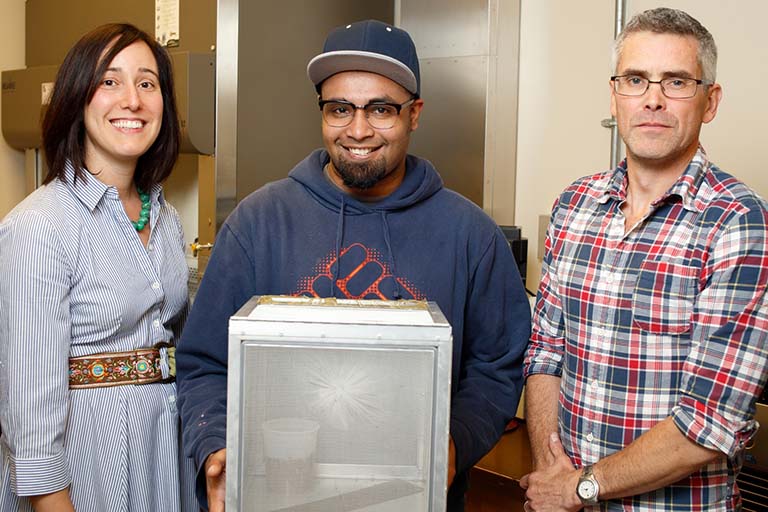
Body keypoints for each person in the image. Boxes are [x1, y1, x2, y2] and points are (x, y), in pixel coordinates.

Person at [176, 19, 530, 512]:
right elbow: (204, 363)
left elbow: (496, 366)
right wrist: (215, 444)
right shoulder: (259, 222)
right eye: (340, 108)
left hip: (415, 496)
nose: (358, 130)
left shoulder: (470, 234)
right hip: (278, 492)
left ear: (415, 114)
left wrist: (454, 444)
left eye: (381, 109)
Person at [520, 7, 768, 511]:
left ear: (710, 101)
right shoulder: (575, 204)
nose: (652, 99)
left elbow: (708, 420)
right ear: (615, 94)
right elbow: (546, 351)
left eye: (676, 81)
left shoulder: (738, 222)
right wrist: (552, 471)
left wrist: (579, 486)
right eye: (635, 79)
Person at [0, 23, 196, 511]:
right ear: (77, 98)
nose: (132, 99)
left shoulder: (166, 218)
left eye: (147, 83)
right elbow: (29, 404)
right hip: (89, 467)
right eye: (110, 81)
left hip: (161, 457)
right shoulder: (40, 226)